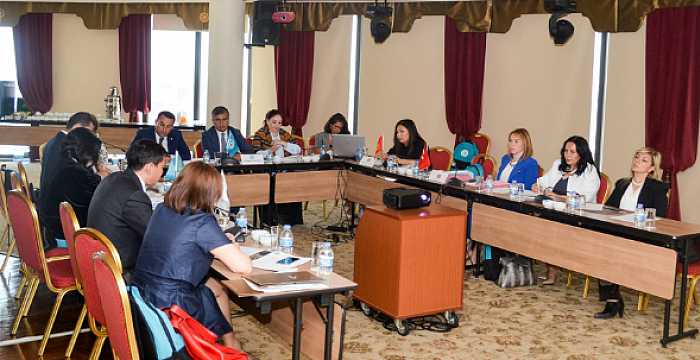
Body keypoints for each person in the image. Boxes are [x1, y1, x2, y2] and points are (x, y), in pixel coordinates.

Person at [133, 162, 252, 350]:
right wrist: (230, 245)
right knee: (212, 289)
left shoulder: (163, 209)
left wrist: (219, 242)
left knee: (216, 287)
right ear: (210, 193)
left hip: (143, 290)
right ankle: (216, 346)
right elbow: (243, 266)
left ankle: (230, 343)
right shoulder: (202, 221)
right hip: (173, 303)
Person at [595, 147, 668, 319]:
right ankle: (613, 298)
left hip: (640, 235)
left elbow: (659, 217)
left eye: (643, 160)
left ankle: (612, 301)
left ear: (651, 168)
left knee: (612, 250)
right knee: (599, 246)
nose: (637, 161)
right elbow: (609, 209)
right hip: (618, 231)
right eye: (636, 157)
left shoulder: (657, 188)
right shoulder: (622, 183)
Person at [87, 139, 168, 275]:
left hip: (99, 257)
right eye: (162, 167)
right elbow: (157, 236)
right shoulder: (135, 195)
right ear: (149, 167)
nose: (162, 173)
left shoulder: (115, 178)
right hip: (118, 269)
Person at [532, 135, 600, 285]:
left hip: (576, 215)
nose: (567, 155)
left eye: (572, 152)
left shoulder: (589, 171)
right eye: (565, 151)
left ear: (581, 153)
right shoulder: (558, 164)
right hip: (552, 210)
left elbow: (585, 199)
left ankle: (552, 272)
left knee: (552, 228)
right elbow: (543, 182)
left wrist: (559, 197)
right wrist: (537, 186)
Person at [39, 112, 99, 248]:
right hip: (61, 226)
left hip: (49, 216)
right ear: (78, 128)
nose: (89, 138)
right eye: (89, 133)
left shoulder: (55, 142)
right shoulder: (71, 165)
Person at [251, 110, 303, 225]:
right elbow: (255, 154)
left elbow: (298, 150)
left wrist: (284, 144)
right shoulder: (260, 134)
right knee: (272, 183)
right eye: (274, 122)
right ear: (267, 122)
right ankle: (270, 220)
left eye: (279, 123)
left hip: (284, 169)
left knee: (295, 181)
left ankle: (289, 220)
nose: (277, 125)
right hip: (267, 171)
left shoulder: (284, 133)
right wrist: (271, 150)